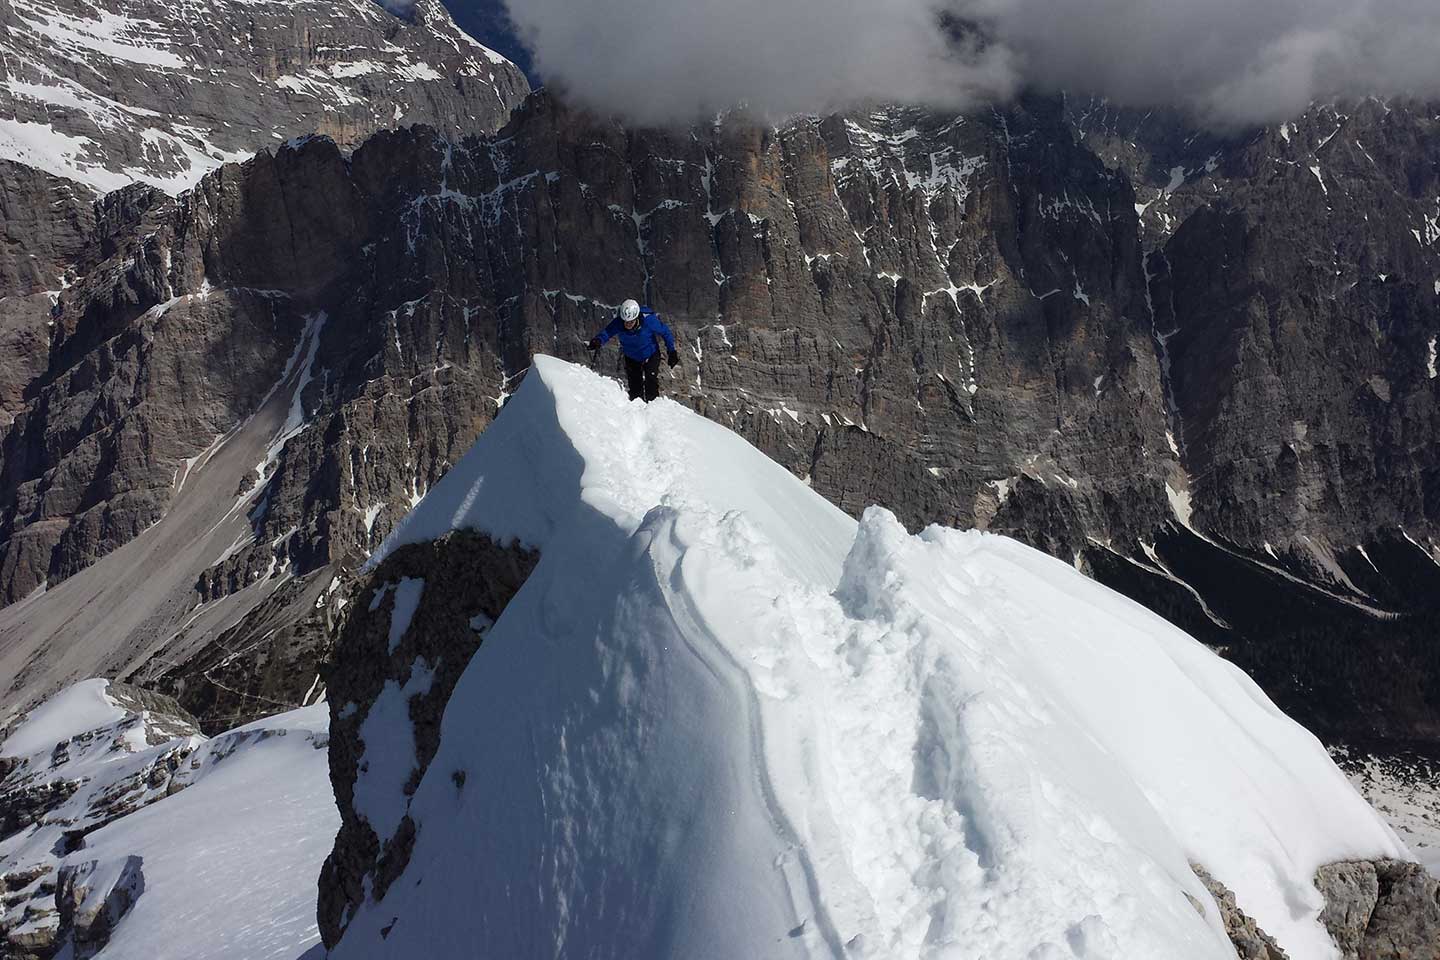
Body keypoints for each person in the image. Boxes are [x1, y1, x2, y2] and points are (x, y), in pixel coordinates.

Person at [588, 299, 679, 402]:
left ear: (636, 317)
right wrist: (598, 340)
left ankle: (653, 407)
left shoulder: (648, 321)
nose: (628, 325)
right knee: (635, 389)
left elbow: (665, 332)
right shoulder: (619, 323)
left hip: (651, 355)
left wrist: (671, 351)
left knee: (651, 383)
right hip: (631, 357)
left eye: (631, 322)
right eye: (625, 322)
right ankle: (637, 409)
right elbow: (607, 332)